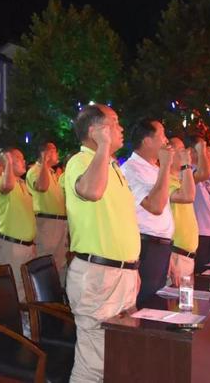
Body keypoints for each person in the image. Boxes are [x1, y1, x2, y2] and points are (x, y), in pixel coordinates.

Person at [65, 104, 140, 382]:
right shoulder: (80, 162)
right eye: (115, 122)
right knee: (94, 363)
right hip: (98, 276)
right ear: (95, 130)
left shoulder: (111, 166)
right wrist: (103, 147)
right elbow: (91, 191)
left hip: (121, 275)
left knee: (115, 357)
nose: (121, 129)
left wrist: (132, 269)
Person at [121, 118, 174, 307]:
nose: (167, 141)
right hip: (146, 246)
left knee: (157, 303)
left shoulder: (154, 169)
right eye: (162, 135)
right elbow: (155, 206)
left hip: (161, 247)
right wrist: (167, 166)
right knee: (145, 304)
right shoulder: (129, 170)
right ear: (147, 140)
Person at [0, 147, 36, 302]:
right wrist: (9, 164)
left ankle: (23, 322)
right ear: (7, 161)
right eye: (18, 158)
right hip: (12, 245)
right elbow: (6, 187)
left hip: (27, 246)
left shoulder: (23, 184)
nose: (23, 161)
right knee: (13, 289)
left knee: (25, 287)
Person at [26, 142, 68, 283]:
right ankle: (42, 297)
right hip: (46, 223)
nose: (57, 155)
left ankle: (56, 296)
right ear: (46, 153)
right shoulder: (35, 171)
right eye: (54, 151)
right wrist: (44, 161)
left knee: (59, 262)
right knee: (45, 261)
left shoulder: (52, 172)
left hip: (59, 222)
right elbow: (42, 187)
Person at [186, 138, 210, 272]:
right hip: (201, 234)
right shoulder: (188, 172)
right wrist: (202, 151)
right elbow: (204, 173)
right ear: (192, 153)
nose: (209, 157)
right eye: (205, 152)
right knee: (201, 276)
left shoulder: (207, 177)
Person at [167, 137, 197, 286]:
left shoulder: (180, 180)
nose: (186, 154)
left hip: (187, 256)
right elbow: (188, 196)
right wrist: (187, 166)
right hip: (175, 254)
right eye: (181, 150)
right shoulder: (165, 179)